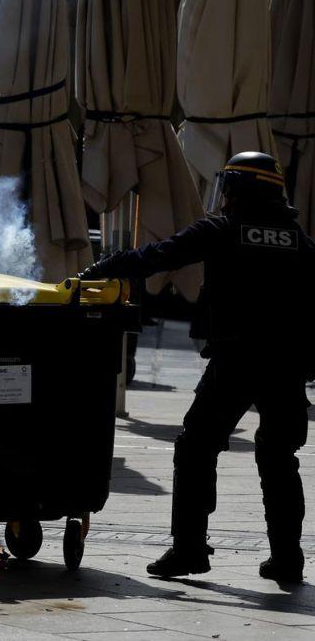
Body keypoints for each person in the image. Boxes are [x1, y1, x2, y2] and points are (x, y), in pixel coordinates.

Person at [81, 152, 314, 583]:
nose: (222, 199)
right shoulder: (298, 240)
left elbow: (160, 255)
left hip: (237, 360)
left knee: (196, 448)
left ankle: (189, 549)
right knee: (279, 457)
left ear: (241, 192)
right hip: (286, 364)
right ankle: (287, 557)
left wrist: (104, 268)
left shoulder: (223, 230)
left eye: (227, 190)